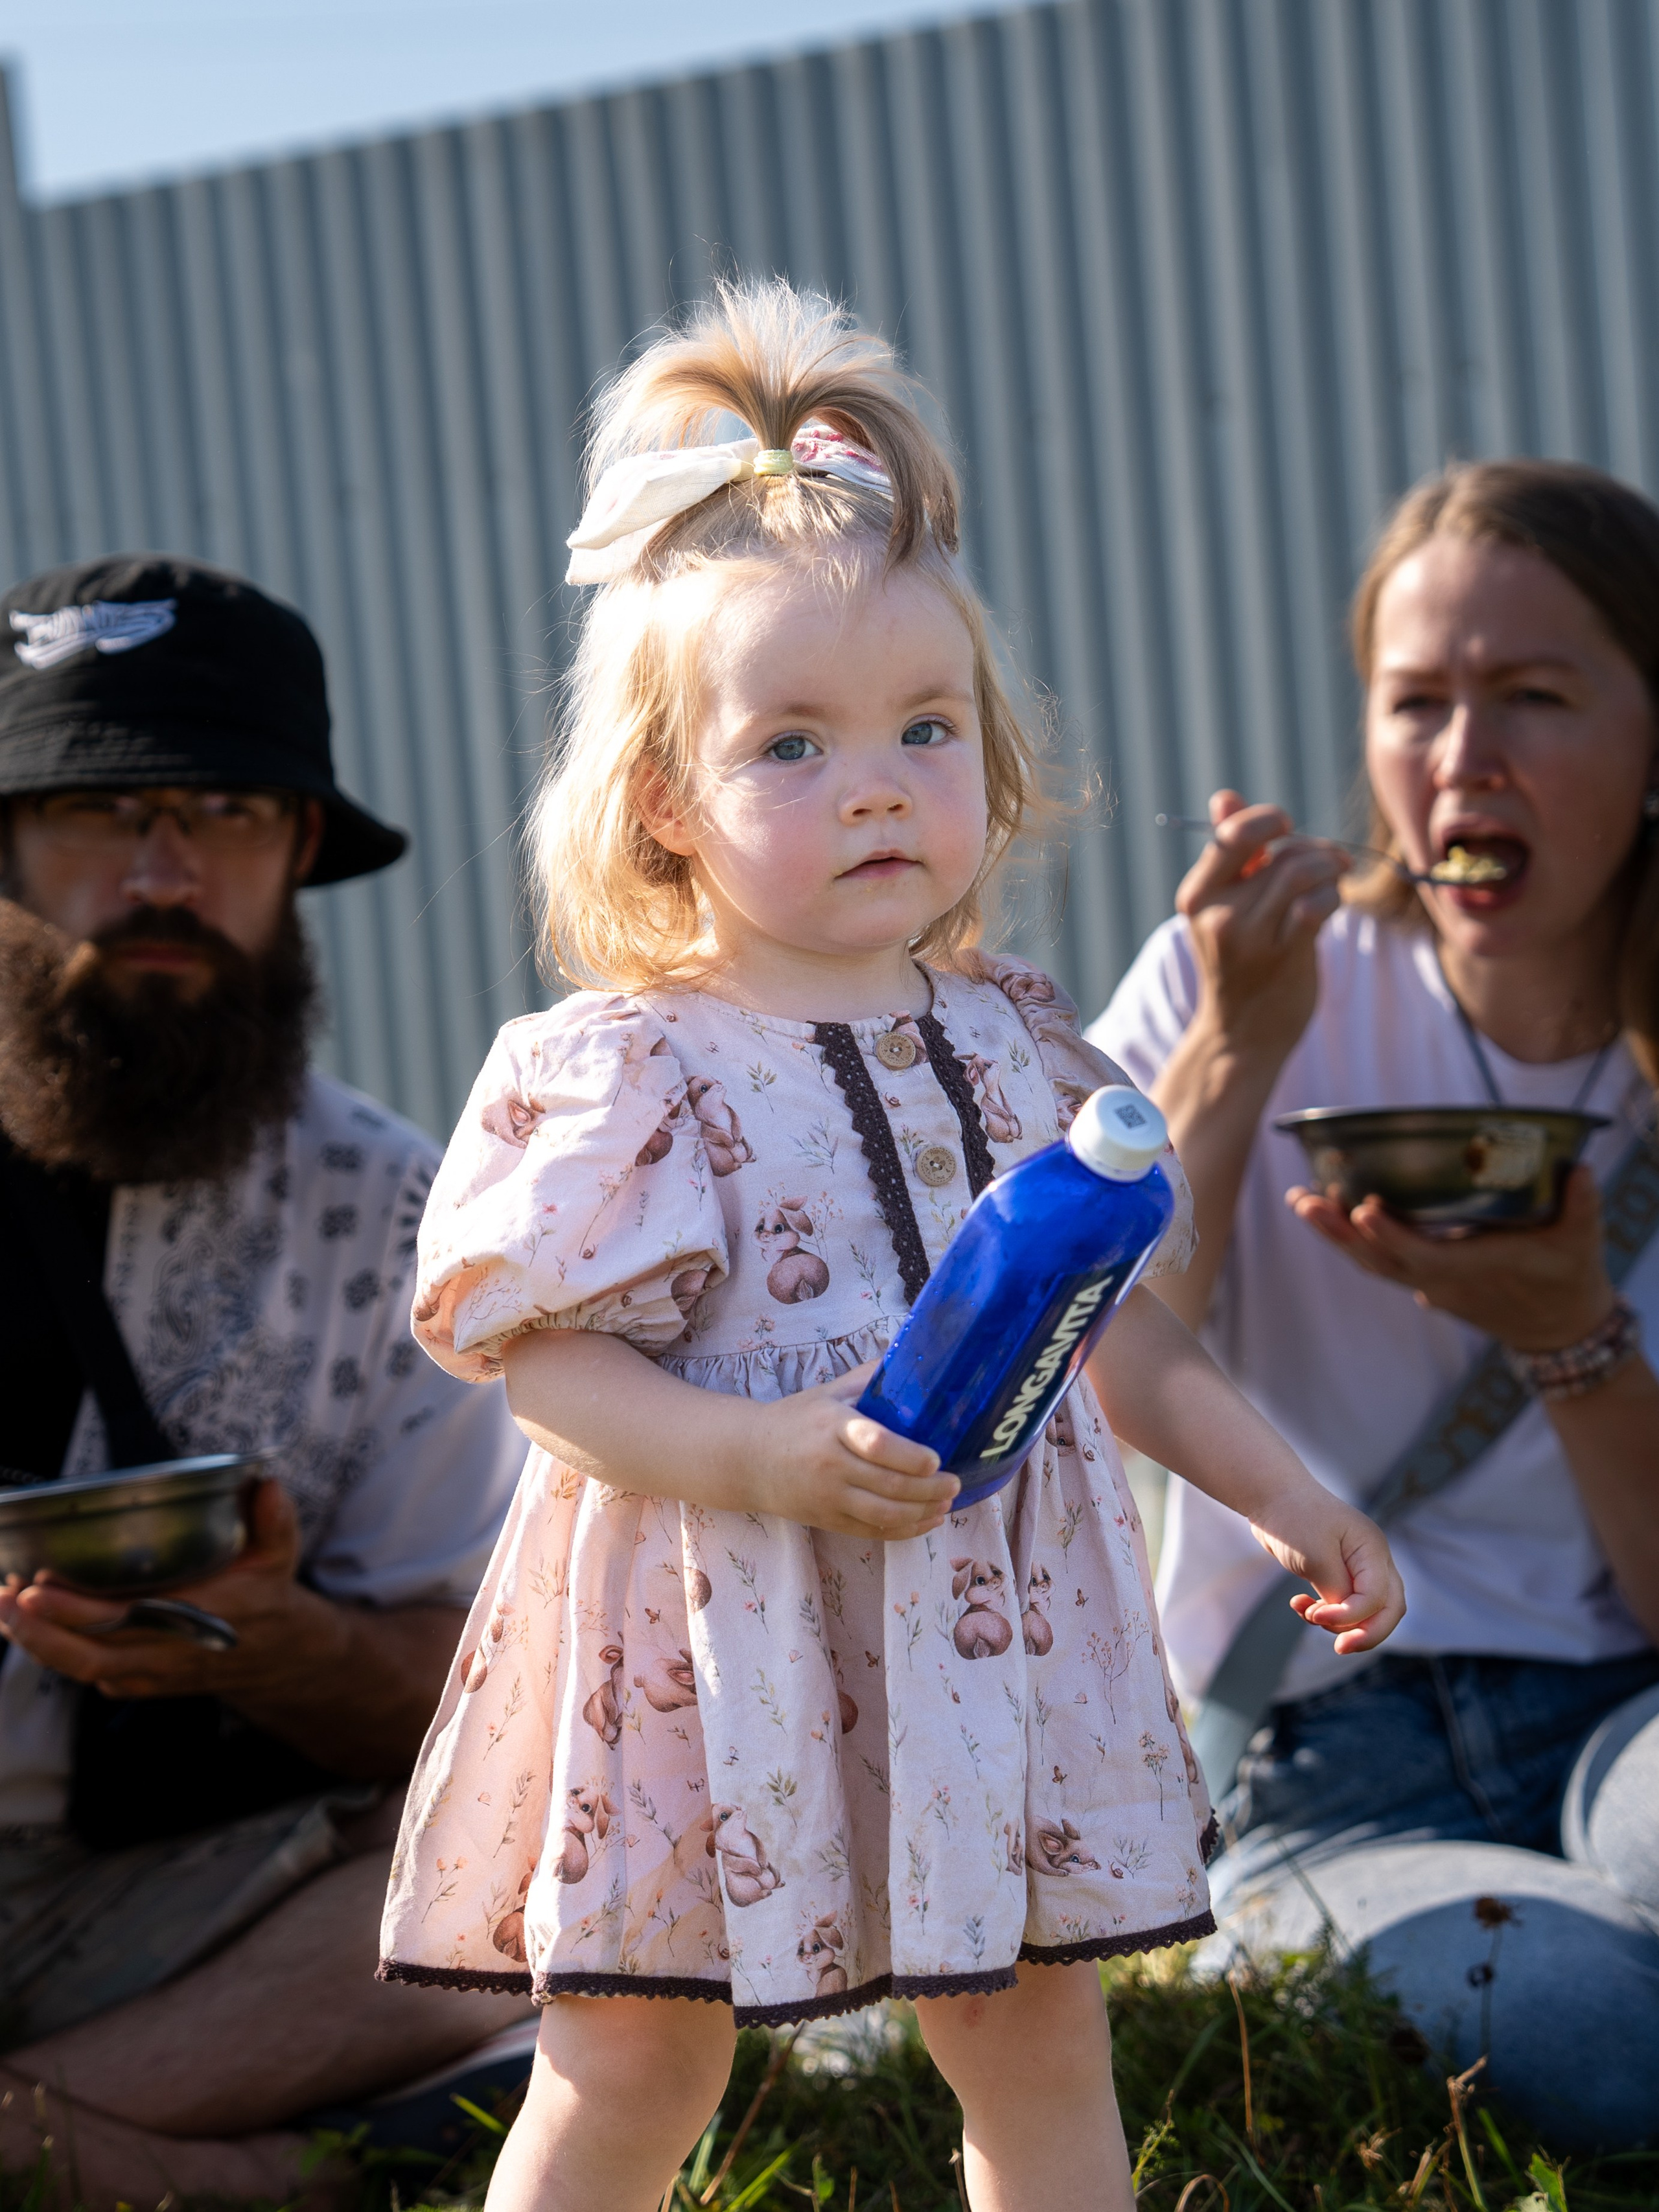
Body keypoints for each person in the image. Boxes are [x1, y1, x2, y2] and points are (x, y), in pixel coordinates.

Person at [375, 282, 1405, 2212]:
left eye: (926, 726)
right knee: (630, 2047)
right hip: (708, 1622)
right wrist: (761, 1449)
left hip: (978, 1629)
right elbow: (549, 1368)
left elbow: (1113, 1331)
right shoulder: (633, 1069)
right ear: (664, 801)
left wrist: (1288, 1491)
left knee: (1034, 2027)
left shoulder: (1022, 1046)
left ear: (991, 754)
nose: (875, 779)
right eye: (791, 744)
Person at [1091, 459, 1659, 2147]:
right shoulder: (1242, 969)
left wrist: (1572, 1329)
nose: (1464, 759)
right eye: (1418, 703)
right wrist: (1235, 1050)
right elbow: (1095, 1337)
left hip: (1623, 1703)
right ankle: (1257, 1938)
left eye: (1535, 696)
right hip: (1327, 1746)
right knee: (1611, 2041)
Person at [0, 555, 531, 2207]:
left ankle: (52, 2138)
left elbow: (471, 1708)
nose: (165, 872)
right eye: (104, 811)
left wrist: (289, 1643)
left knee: (581, 1860)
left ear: (299, 849)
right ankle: (269, 2180)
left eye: (226, 809)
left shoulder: (400, 1216)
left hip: (173, 1918)